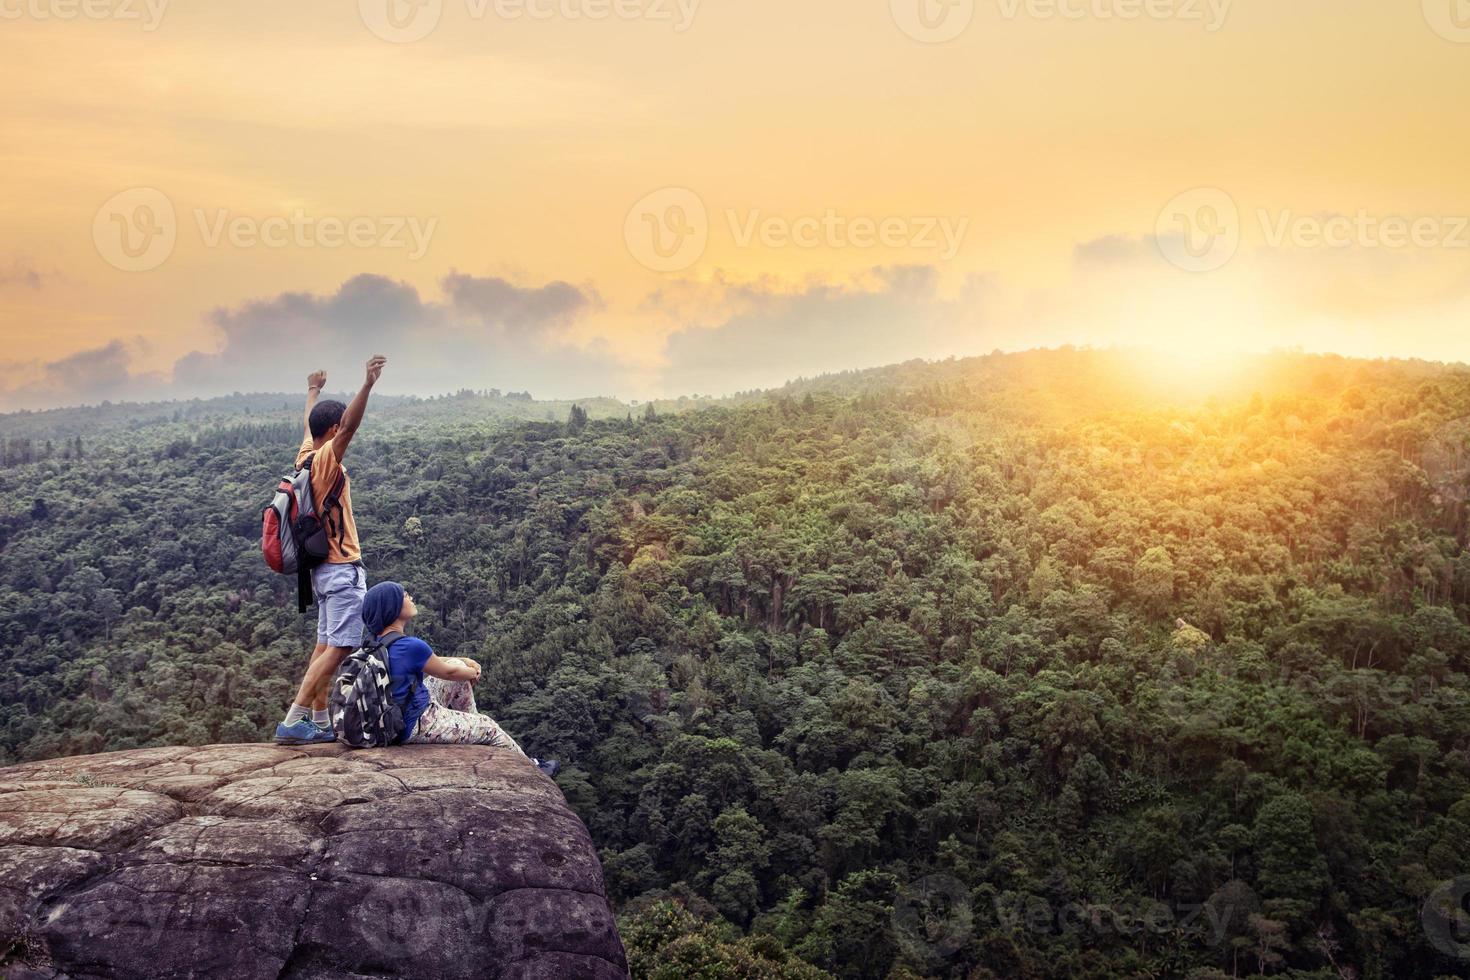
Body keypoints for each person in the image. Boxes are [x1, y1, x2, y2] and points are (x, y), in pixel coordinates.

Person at [273, 355, 388, 745]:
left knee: (325, 646)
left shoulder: (305, 456)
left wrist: (313, 390)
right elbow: (349, 428)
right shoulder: (325, 461)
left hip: (322, 573)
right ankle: (294, 720)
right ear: (334, 429)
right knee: (339, 647)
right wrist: (367, 385)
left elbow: (311, 425)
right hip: (341, 569)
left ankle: (319, 720)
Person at [360, 580, 559, 777]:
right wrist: (474, 671)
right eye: (404, 595)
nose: (410, 597)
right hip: (416, 722)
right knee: (489, 727)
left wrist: (463, 661)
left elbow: (435, 663)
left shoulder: (372, 644)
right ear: (393, 607)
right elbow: (449, 673)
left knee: (458, 665)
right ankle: (532, 768)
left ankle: (471, 722)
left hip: (392, 717)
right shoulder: (412, 646)